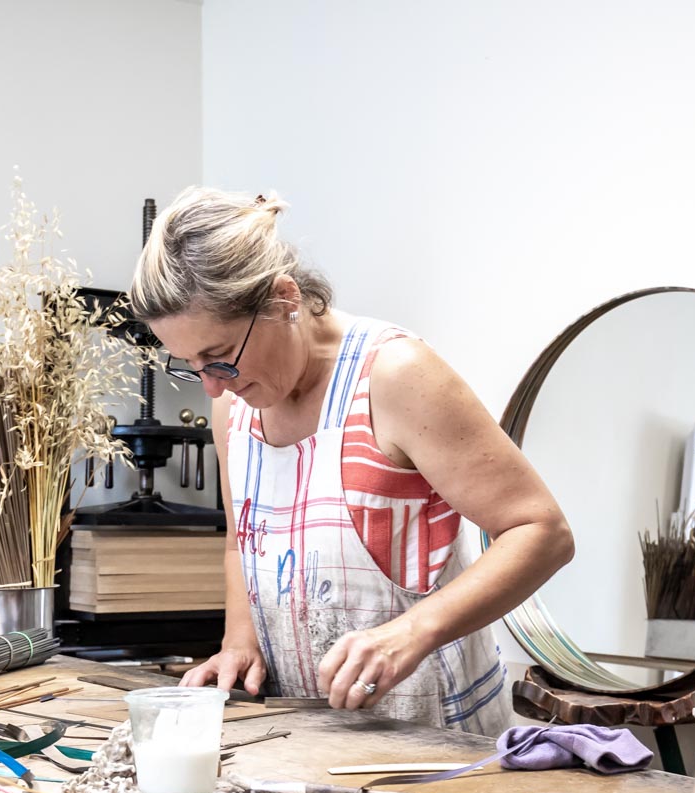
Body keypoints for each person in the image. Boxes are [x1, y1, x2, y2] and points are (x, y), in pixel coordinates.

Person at [128, 188, 572, 735]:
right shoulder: (234, 404)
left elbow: (542, 532)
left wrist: (412, 632)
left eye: (218, 358)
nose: (212, 389)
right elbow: (239, 540)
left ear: (283, 299)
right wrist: (238, 641)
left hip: (437, 742)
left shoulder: (394, 376)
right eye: (190, 365)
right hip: (303, 738)